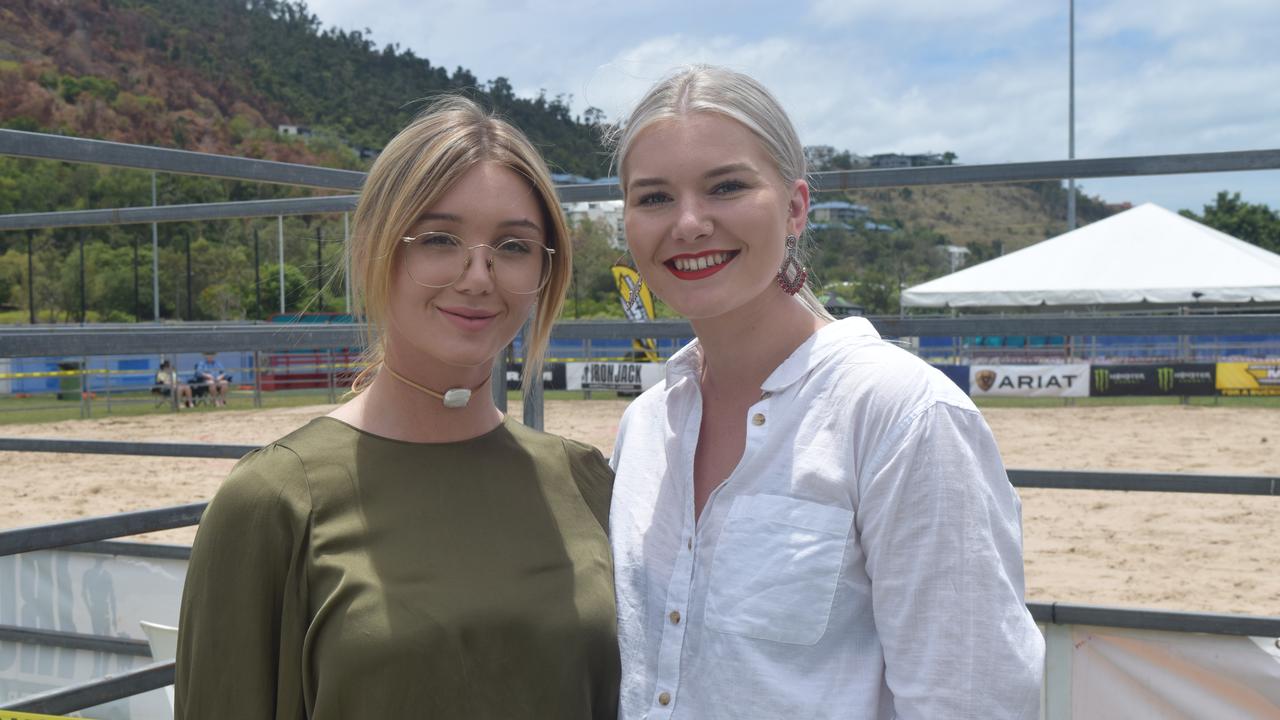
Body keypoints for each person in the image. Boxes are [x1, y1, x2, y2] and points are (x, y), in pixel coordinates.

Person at [607, 65, 1043, 720]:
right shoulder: (645, 425)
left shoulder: (901, 415)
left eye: (726, 186)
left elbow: (970, 699)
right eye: (654, 198)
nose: (690, 223)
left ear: (795, 206)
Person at [175, 96, 619, 719]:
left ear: (546, 271)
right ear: (380, 248)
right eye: (440, 239)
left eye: (513, 246)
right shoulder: (274, 502)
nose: (478, 276)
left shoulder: (585, 481)